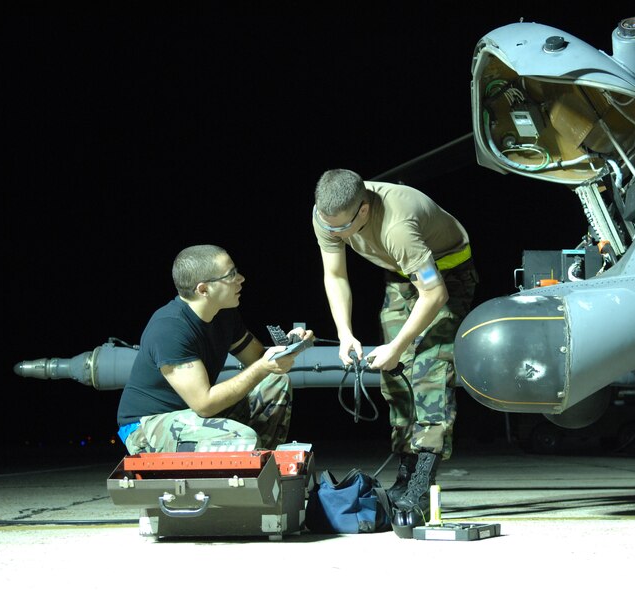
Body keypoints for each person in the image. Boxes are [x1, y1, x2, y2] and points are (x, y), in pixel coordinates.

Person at [312, 169, 478, 531]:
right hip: (400, 276)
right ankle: (405, 468)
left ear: (364, 211)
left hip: (445, 272)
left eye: (341, 229)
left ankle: (423, 480)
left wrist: (398, 344)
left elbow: (435, 294)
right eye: (329, 227)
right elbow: (335, 276)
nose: (334, 234)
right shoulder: (327, 214)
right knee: (395, 374)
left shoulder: (398, 228)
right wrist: (345, 334)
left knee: (430, 372)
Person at [116, 244, 314, 454]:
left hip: (192, 415)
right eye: (231, 275)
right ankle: (250, 465)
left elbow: (259, 360)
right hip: (147, 426)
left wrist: (290, 347)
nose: (241, 279)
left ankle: (261, 466)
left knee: (276, 382)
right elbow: (205, 404)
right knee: (243, 438)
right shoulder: (169, 328)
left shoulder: (224, 314)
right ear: (203, 289)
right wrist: (264, 367)